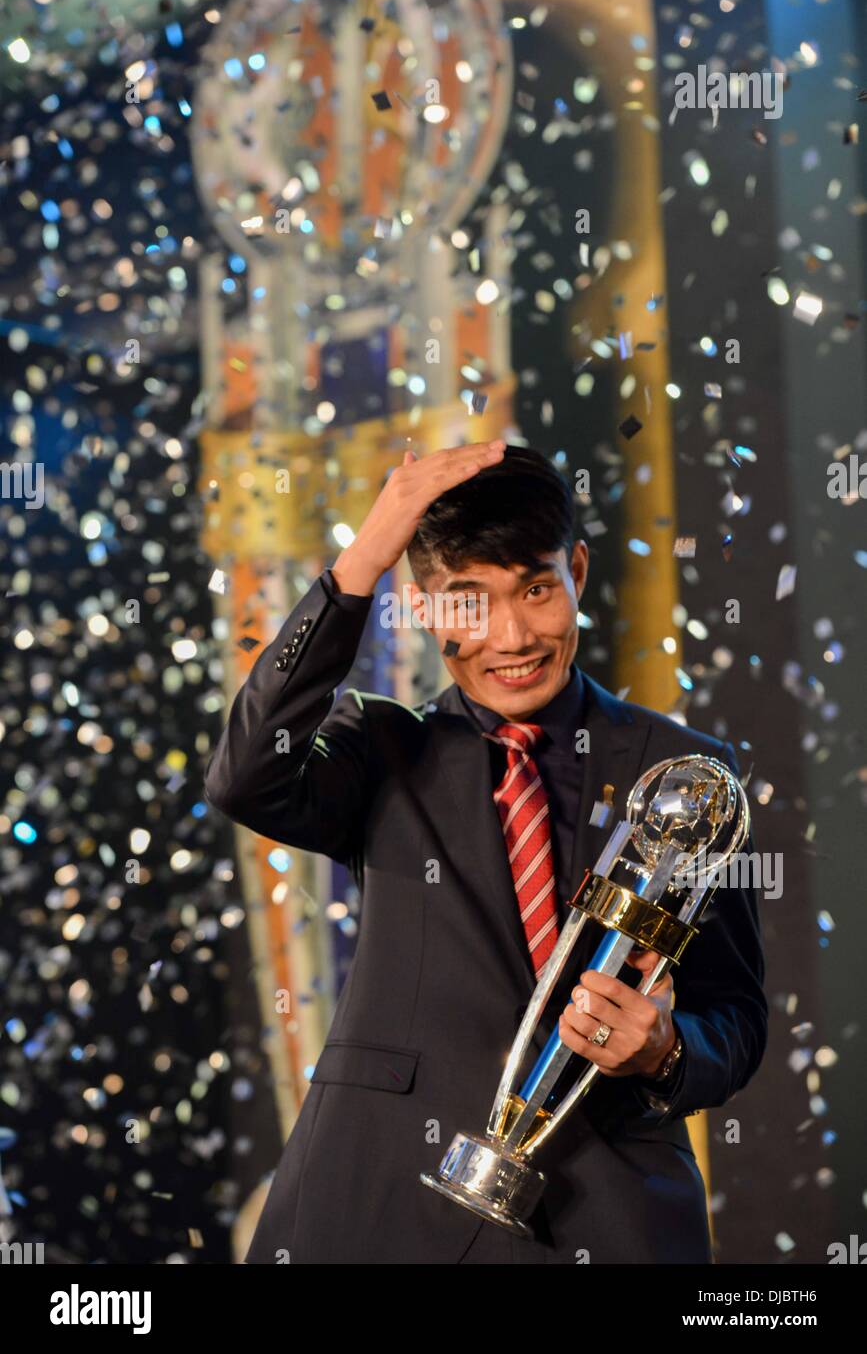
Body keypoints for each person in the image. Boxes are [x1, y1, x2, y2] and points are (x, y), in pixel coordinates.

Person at [204, 441, 767, 1264]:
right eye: (467, 602)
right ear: (423, 607)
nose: (511, 636)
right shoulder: (381, 749)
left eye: (537, 589)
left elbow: (736, 1017)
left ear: (576, 570)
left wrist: (665, 1049)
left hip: (607, 1213)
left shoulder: (681, 770)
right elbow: (243, 777)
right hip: (380, 1201)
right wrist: (366, 554)